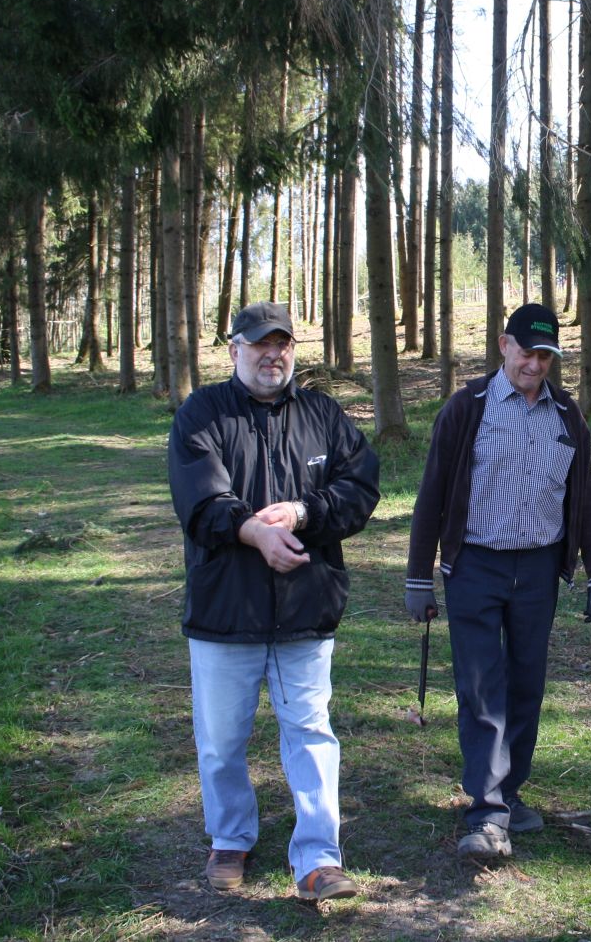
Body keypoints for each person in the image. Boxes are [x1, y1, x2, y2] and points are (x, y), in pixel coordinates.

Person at [167, 301, 380, 901]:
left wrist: (303, 512)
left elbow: (360, 487)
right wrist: (254, 531)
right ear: (234, 349)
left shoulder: (323, 414)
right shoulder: (201, 413)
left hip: (306, 608)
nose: (273, 354)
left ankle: (318, 858)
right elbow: (200, 502)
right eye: (260, 343)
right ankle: (229, 838)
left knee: (311, 734)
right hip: (224, 610)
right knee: (221, 740)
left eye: (282, 343)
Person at [405, 303, 591, 859]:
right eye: (527, 352)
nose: (535, 364)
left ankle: (508, 792)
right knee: (480, 688)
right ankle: (487, 811)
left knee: (525, 685)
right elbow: (431, 494)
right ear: (504, 346)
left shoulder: (566, 415)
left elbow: (584, 499)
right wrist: (418, 577)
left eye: (546, 356)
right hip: (475, 566)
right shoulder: (467, 408)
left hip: (539, 570)